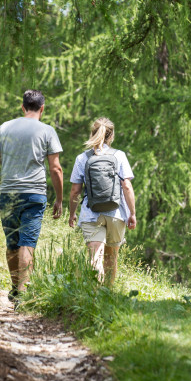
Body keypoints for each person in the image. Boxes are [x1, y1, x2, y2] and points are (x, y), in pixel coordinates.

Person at [0, 90, 64, 300]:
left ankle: (14, 288)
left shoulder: (5, 127)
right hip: (35, 195)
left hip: (9, 194)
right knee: (27, 243)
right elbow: (55, 169)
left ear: (23, 107)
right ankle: (22, 292)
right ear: (42, 109)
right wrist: (59, 199)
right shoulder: (47, 131)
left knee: (12, 243)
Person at [67, 117, 136, 286]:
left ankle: (95, 299)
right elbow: (126, 186)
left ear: (92, 133)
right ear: (111, 136)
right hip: (116, 213)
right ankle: (108, 297)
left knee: (95, 258)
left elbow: (75, 190)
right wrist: (132, 214)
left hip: (92, 214)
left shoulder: (82, 158)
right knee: (111, 259)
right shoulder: (119, 156)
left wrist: (72, 213)